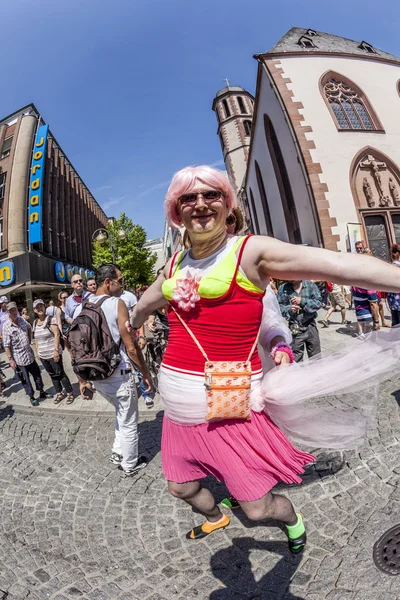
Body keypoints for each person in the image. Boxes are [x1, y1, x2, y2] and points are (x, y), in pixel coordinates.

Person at [130, 165, 400, 553]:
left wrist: (281, 346)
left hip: (227, 408)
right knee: (181, 486)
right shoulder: (174, 265)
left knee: (257, 510)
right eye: (188, 198)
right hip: (177, 415)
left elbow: (338, 265)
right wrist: (134, 320)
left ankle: (292, 519)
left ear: (227, 204)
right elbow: (147, 302)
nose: (200, 204)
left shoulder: (249, 252)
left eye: (212, 195)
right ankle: (216, 516)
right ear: (176, 210)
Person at [74, 263, 153, 476]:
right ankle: (130, 464)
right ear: (108, 282)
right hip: (119, 373)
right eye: (120, 281)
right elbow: (131, 346)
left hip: (96, 374)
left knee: (120, 412)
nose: (123, 285)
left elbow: (72, 342)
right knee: (128, 421)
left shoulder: (84, 305)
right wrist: (145, 373)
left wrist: (82, 379)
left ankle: (117, 452)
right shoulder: (117, 304)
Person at [3, 302, 48, 406]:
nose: (13, 312)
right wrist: (10, 359)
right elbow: (6, 345)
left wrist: (29, 339)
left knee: (37, 375)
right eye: (11, 311)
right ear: (8, 313)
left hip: (29, 355)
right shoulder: (6, 326)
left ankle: (41, 392)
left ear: (17, 310)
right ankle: (31, 397)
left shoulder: (22, 320)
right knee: (25, 380)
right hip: (19, 359)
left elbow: (29, 328)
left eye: (14, 310)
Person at [32, 299, 74, 405]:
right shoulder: (35, 322)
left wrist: (56, 351)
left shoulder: (50, 319)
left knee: (60, 373)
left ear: (44, 307)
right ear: (34, 310)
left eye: (41, 306)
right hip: (43, 355)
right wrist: (37, 353)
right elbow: (36, 339)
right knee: (52, 375)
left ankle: (69, 393)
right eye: (37, 307)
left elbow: (57, 335)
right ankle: (59, 393)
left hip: (53, 353)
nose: (39, 309)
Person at [120, 286, 154, 409]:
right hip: (117, 341)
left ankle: (146, 393)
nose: (119, 283)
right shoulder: (108, 299)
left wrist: (142, 336)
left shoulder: (129, 296)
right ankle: (128, 396)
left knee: (138, 364)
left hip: (132, 336)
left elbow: (139, 316)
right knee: (124, 369)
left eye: (120, 281)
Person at [277, 280, 322, 362]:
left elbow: (318, 303)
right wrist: (289, 309)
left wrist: (302, 301)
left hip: (310, 326)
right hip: (294, 327)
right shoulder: (283, 288)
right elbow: (278, 307)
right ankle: (299, 374)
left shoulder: (310, 285)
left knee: (316, 357)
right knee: (296, 358)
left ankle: (316, 374)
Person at [387, 244, 400, 326]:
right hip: (397, 297)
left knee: (395, 321)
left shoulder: (389, 267)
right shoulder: (397, 266)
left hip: (392, 298)